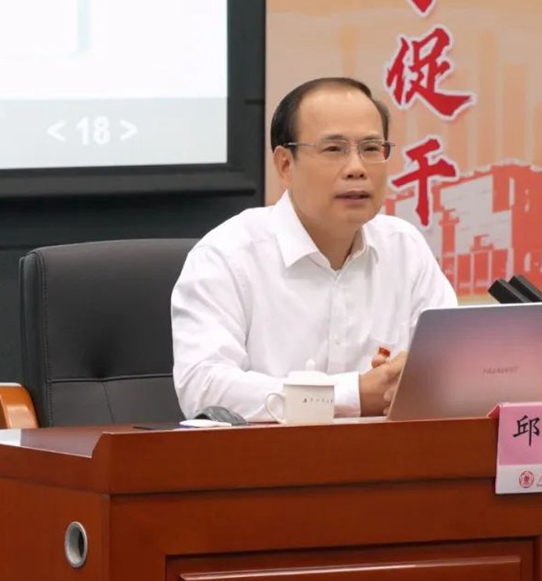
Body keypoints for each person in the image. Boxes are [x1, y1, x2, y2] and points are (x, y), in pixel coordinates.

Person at [171, 77, 457, 421]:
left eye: (371, 148)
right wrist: (353, 395)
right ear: (285, 165)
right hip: (267, 454)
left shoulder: (404, 248)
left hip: (390, 453)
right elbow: (203, 388)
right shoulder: (227, 256)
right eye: (334, 149)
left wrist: (412, 379)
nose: (357, 169)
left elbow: (454, 366)